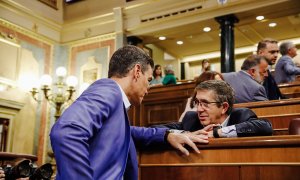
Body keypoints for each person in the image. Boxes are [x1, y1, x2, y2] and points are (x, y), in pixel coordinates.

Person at [50, 45, 208, 180]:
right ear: (137, 71)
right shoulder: (108, 90)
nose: (149, 87)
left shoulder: (114, 97)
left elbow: (128, 132)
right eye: (149, 79)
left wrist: (167, 135)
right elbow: (66, 132)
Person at [155, 80, 273, 138]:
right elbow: (155, 129)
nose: (199, 109)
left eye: (205, 103)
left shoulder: (241, 116)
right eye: (197, 103)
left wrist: (216, 133)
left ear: (224, 107)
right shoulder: (191, 119)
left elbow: (265, 126)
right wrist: (188, 134)